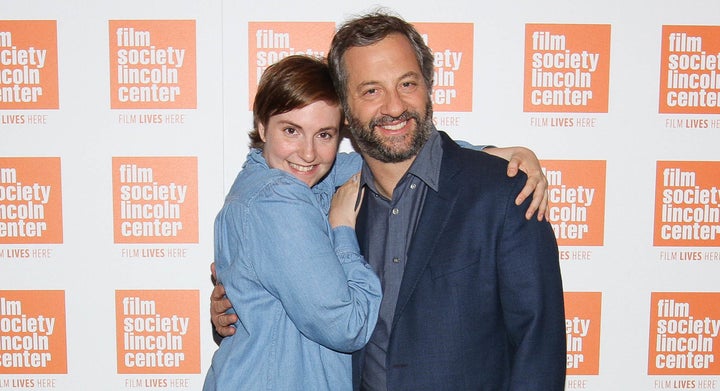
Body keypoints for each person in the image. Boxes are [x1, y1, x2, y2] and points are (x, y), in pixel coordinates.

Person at [211, 10, 565, 390]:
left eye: (407, 84)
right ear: (346, 108)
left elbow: (538, 346)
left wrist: (491, 152)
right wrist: (238, 303)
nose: (394, 107)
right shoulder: (325, 203)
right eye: (371, 90)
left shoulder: (504, 191)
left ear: (428, 86)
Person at [203, 55, 382, 391]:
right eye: (291, 131)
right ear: (261, 127)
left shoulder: (293, 181)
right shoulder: (277, 197)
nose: (309, 153)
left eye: (325, 135)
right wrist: (342, 228)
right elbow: (347, 326)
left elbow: (388, 159)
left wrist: (485, 154)